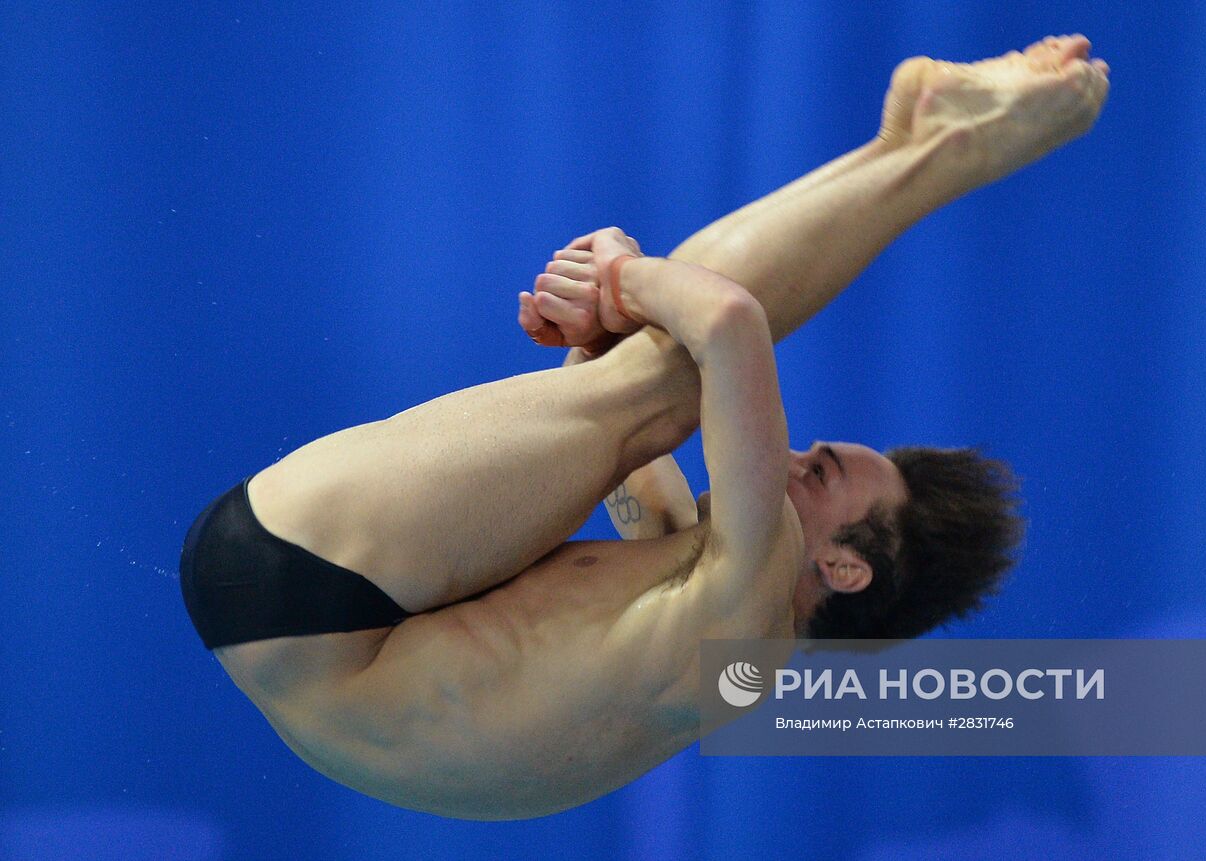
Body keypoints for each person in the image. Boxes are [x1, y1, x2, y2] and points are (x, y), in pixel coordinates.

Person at [180, 35, 1108, 820]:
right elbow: (630, 462)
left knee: (667, 377)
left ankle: (942, 149)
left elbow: (729, 326)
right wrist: (591, 341)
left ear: (847, 567)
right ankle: (912, 143)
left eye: (820, 474)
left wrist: (624, 272)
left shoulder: (746, 623)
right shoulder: (717, 641)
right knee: (642, 389)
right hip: (296, 614)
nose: (785, 457)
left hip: (316, 594)